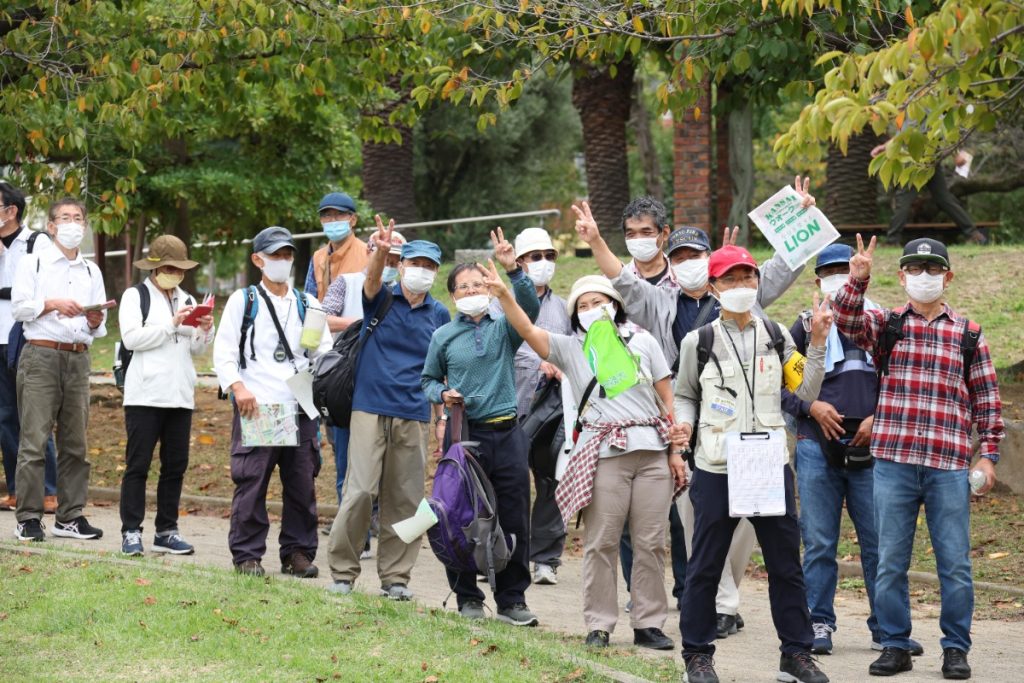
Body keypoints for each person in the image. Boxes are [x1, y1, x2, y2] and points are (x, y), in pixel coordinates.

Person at [574, 178, 813, 631]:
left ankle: (726, 598)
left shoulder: (744, 294)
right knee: (696, 517)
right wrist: (597, 240)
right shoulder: (659, 301)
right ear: (672, 263)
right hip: (691, 424)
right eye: (680, 258)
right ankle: (722, 606)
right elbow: (620, 278)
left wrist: (800, 217)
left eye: (696, 256)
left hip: (749, 426)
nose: (688, 264)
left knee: (746, 523)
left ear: (710, 261)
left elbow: (784, 266)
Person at [488, 267, 687, 650]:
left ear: (615, 304)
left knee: (650, 542)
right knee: (601, 541)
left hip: (652, 451)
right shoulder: (570, 347)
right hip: (604, 452)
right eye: (584, 305)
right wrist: (504, 295)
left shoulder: (643, 341)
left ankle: (648, 623)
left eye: (599, 301)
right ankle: (599, 624)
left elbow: (667, 398)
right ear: (575, 314)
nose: (592, 308)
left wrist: (675, 450)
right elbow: (527, 330)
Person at [834, 236, 1004, 680]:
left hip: (948, 465)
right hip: (894, 461)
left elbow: (987, 402)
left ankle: (956, 648)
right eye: (914, 268)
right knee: (890, 561)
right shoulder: (887, 325)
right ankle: (895, 644)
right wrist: (858, 277)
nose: (923, 276)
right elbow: (846, 320)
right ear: (901, 276)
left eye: (932, 269)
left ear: (948, 277)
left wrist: (988, 456)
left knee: (955, 565)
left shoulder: (968, 334)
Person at [673, 245, 831, 683]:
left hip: (768, 464)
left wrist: (818, 343)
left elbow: (805, 392)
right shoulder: (698, 342)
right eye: (730, 279)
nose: (741, 286)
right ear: (713, 287)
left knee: (786, 565)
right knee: (705, 565)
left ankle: (795, 655)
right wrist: (684, 425)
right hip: (717, 465)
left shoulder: (777, 335)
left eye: (748, 277)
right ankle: (697, 656)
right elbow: (685, 395)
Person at [782, 243, 925, 657]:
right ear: (817, 280)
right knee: (819, 541)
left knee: (880, 543)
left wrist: (878, 417)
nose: (838, 279)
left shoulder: (882, 322)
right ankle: (818, 622)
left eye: (845, 271)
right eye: (829, 272)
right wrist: (812, 407)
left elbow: (903, 381)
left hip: (872, 444)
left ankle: (887, 628)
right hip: (816, 444)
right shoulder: (803, 326)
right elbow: (778, 388)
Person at [421, 228, 540, 626]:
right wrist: (443, 393)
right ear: (452, 295)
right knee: (459, 514)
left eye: (478, 284)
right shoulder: (443, 336)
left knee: (514, 515)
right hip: (464, 436)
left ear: (488, 289)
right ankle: (467, 596)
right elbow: (427, 380)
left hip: (507, 433)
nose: (471, 290)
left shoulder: (503, 327)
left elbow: (529, 309)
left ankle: (511, 599)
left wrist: (513, 271)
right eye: (463, 286)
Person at [326, 219, 450, 600]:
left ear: (436, 272)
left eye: (429, 266)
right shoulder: (381, 298)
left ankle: (397, 577)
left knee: (407, 499)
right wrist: (380, 253)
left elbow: (440, 370)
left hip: (414, 411)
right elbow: (371, 281)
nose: (421, 271)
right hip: (369, 406)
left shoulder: (439, 315)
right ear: (402, 265)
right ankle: (343, 572)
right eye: (415, 264)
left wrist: (441, 418)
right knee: (360, 491)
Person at [213, 226, 332, 577]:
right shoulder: (244, 301)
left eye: (287, 254)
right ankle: (247, 555)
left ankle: (297, 553)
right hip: (259, 405)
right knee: (253, 482)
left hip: (299, 406)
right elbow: (224, 351)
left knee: (302, 484)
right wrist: (238, 388)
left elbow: (322, 352)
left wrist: (321, 384)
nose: (282, 261)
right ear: (258, 259)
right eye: (275, 255)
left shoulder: (308, 304)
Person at [10, 197, 107, 542]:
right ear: (51, 226)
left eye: (78, 218)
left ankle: (70, 516)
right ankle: (28, 517)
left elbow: (100, 325)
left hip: (78, 358)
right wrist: (51, 304)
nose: (72, 224)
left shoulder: (91, 270)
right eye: (64, 218)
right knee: (34, 441)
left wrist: (94, 320)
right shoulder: (33, 263)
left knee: (75, 443)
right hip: (41, 355)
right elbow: (19, 308)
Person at [117, 235, 215, 556]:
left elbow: (197, 348)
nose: (175, 274)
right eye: (170, 268)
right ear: (155, 268)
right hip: (145, 395)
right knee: (138, 465)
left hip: (180, 395)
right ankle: (131, 531)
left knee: (175, 466)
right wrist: (171, 324)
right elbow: (131, 339)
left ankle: (167, 530)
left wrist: (204, 328)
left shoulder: (187, 297)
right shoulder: (136, 296)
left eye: (180, 269)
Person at [489, 227, 572, 587]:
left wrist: (561, 364)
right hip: (509, 407)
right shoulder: (499, 302)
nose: (543, 262)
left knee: (552, 482)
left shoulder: (564, 306)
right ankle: (501, 555)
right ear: (520, 261)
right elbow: (494, 346)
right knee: (505, 486)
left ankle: (546, 558)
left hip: (553, 411)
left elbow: (576, 348)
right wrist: (539, 361)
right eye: (535, 256)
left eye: (549, 256)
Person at [320, 230, 406, 541]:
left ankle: (378, 528)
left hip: (391, 390)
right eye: (384, 256)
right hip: (349, 388)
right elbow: (322, 318)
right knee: (348, 465)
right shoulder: (347, 283)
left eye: (396, 259)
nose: (389, 264)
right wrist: (364, 323)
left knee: (389, 469)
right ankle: (355, 536)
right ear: (370, 252)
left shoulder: (407, 291)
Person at [0, 181, 58, 514]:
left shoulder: (37, 242)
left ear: (11, 211)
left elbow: (44, 288)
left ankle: (48, 491)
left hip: (26, 337)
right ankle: (16, 490)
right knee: (5, 417)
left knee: (34, 416)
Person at [870, 141, 987, 246]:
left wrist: (956, 153)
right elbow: (905, 133)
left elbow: (929, 132)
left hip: (918, 161)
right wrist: (885, 146)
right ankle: (974, 234)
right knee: (944, 199)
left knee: (904, 199)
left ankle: (892, 240)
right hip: (931, 159)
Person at [303, 191, 369, 302]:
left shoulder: (368, 254)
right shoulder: (317, 257)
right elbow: (309, 301)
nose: (333, 220)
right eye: (327, 215)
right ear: (321, 221)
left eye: (340, 214)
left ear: (353, 220)